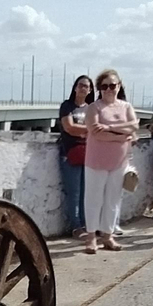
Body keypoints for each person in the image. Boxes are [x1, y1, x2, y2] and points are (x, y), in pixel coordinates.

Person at [83, 68, 138, 254]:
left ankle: (108, 235)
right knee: (93, 199)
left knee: (113, 199)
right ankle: (91, 236)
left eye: (112, 85)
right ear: (99, 88)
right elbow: (96, 132)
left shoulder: (126, 107)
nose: (108, 89)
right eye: (104, 86)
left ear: (119, 86)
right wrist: (122, 136)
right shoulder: (94, 107)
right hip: (96, 160)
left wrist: (109, 127)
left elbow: (134, 125)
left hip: (119, 161)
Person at [57, 75, 94, 238]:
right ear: (75, 88)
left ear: (90, 90)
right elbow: (69, 128)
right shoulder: (67, 106)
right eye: (80, 85)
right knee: (74, 192)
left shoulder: (91, 108)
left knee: (86, 192)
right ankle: (76, 226)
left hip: (88, 153)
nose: (83, 88)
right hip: (70, 152)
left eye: (86, 86)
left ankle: (86, 224)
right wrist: (91, 129)